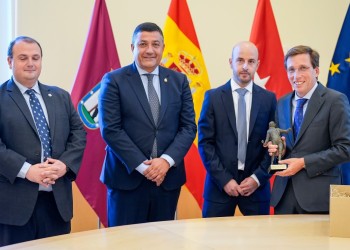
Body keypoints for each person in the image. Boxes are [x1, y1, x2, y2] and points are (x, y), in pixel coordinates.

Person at [98, 22, 196, 226]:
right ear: (133, 48)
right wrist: (145, 168)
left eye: (155, 44)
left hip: (167, 180)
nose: (149, 50)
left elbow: (188, 128)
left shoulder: (179, 81)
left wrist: (166, 161)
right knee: (125, 244)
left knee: (163, 242)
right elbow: (111, 129)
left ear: (162, 48)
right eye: (143, 44)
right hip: (127, 180)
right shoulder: (114, 80)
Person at [0, 36, 86, 246]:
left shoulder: (60, 96)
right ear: (10, 61)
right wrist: (26, 170)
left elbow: (79, 133)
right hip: (14, 206)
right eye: (23, 58)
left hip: (57, 204)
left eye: (35, 58)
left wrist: (64, 165)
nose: (30, 63)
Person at [198, 41, 277, 217]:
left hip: (257, 190)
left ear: (257, 64)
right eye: (240, 60)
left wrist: (257, 179)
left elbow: (274, 147)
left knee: (257, 244)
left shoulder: (268, 99)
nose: (245, 67)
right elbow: (205, 143)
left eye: (250, 62)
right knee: (214, 243)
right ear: (230, 62)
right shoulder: (213, 97)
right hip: (219, 188)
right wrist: (224, 180)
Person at [268, 45, 350, 214]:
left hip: (318, 199)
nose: (296, 75)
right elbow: (288, 146)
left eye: (303, 68)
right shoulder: (282, 102)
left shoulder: (335, 100)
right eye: (291, 69)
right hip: (284, 197)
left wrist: (304, 163)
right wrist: (277, 150)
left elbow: (345, 148)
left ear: (316, 70)